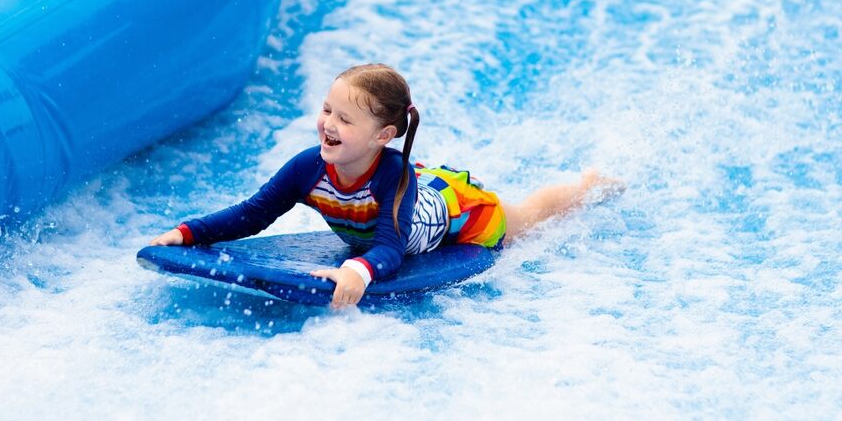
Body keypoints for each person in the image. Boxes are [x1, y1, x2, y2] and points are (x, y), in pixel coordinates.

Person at [150, 63, 622, 309]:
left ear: (383, 137)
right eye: (327, 110)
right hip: (419, 190)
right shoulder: (308, 168)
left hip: (459, 214)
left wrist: (358, 272)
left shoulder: (390, 175)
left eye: (345, 119)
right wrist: (190, 233)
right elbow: (253, 213)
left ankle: (586, 186)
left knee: (522, 219)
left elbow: (390, 248)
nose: (328, 124)